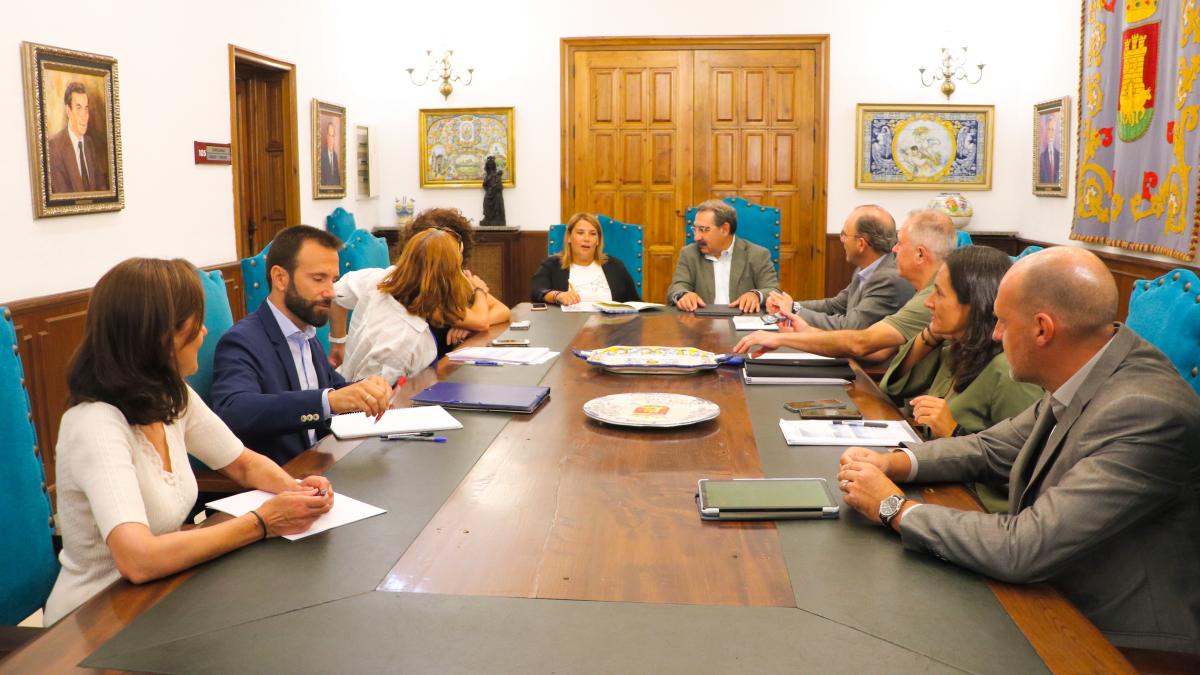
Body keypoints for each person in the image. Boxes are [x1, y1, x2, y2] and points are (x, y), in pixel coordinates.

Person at [837, 247, 1200, 654]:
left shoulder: (1143, 412)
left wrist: (893, 508)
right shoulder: (1091, 366)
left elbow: (1024, 546)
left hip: (1114, 638)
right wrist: (893, 462)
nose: (993, 335)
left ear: (1043, 330)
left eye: (1003, 323)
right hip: (1054, 591)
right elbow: (992, 446)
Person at [44, 258, 333, 625]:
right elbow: (138, 559)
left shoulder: (171, 395)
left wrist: (296, 492)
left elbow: (241, 462)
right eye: (194, 324)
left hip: (160, 595)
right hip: (94, 619)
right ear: (160, 336)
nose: (203, 333)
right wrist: (262, 522)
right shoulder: (95, 424)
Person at [211, 225, 391, 465]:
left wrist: (367, 389)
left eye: (334, 280)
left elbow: (332, 387)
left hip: (322, 466)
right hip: (283, 480)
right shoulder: (242, 341)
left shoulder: (306, 333)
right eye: (319, 279)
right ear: (280, 278)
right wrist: (328, 401)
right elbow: (234, 411)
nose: (331, 292)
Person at [734, 210, 955, 364]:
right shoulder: (928, 289)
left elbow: (861, 341)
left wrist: (782, 337)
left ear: (919, 254)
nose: (894, 250)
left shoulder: (927, 296)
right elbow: (881, 351)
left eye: (900, 243)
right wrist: (805, 328)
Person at [330, 229, 498, 382]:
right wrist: (479, 291)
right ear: (450, 276)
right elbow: (368, 400)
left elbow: (336, 294)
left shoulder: (384, 277)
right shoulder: (402, 341)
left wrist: (338, 343)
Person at [764, 205, 913, 330]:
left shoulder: (888, 279)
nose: (841, 239)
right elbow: (835, 305)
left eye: (844, 234)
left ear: (861, 244)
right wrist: (791, 306)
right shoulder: (865, 269)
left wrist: (792, 310)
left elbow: (851, 326)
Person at [387, 207, 510, 349]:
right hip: (427, 364)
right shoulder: (421, 291)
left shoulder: (458, 276)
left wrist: (469, 326)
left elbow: (503, 310)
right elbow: (481, 321)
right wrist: (480, 292)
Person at [666, 199, 779, 312]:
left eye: (703, 229)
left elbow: (773, 290)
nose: (696, 237)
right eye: (695, 229)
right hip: (701, 324)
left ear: (724, 229)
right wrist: (684, 295)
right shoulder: (689, 253)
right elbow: (677, 287)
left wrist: (756, 295)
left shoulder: (757, 254)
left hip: (742, 323)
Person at [530, 212, 640, 305]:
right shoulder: (552, 265)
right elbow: (537, 292)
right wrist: (558, 295)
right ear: (569, 237)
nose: (587, 239)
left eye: (593, 234)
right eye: (580, 233)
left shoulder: (615, 266)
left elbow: (635, 302)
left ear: (598, 240)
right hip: (567, 328)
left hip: (611, 328)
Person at [47, 82, 107, 194]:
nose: (84, 116)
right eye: (78, 108)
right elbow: (62, 195)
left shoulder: (89, 143)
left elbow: (102, 188)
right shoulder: (54, 147)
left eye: (86, 109)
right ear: (68, 111)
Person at [1038, 113, 1060, 184]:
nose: (1051, 133)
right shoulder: (1042, 157)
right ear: (1046, 132)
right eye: (1049, 129)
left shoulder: (1059, 156)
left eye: (1053, 130)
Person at [320, 121, 340, 186]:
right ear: (326, 137)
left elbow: (338, 179)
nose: (331, 139)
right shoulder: (322, 155)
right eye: (329, 135)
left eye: (332, 136)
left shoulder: (335, 156)